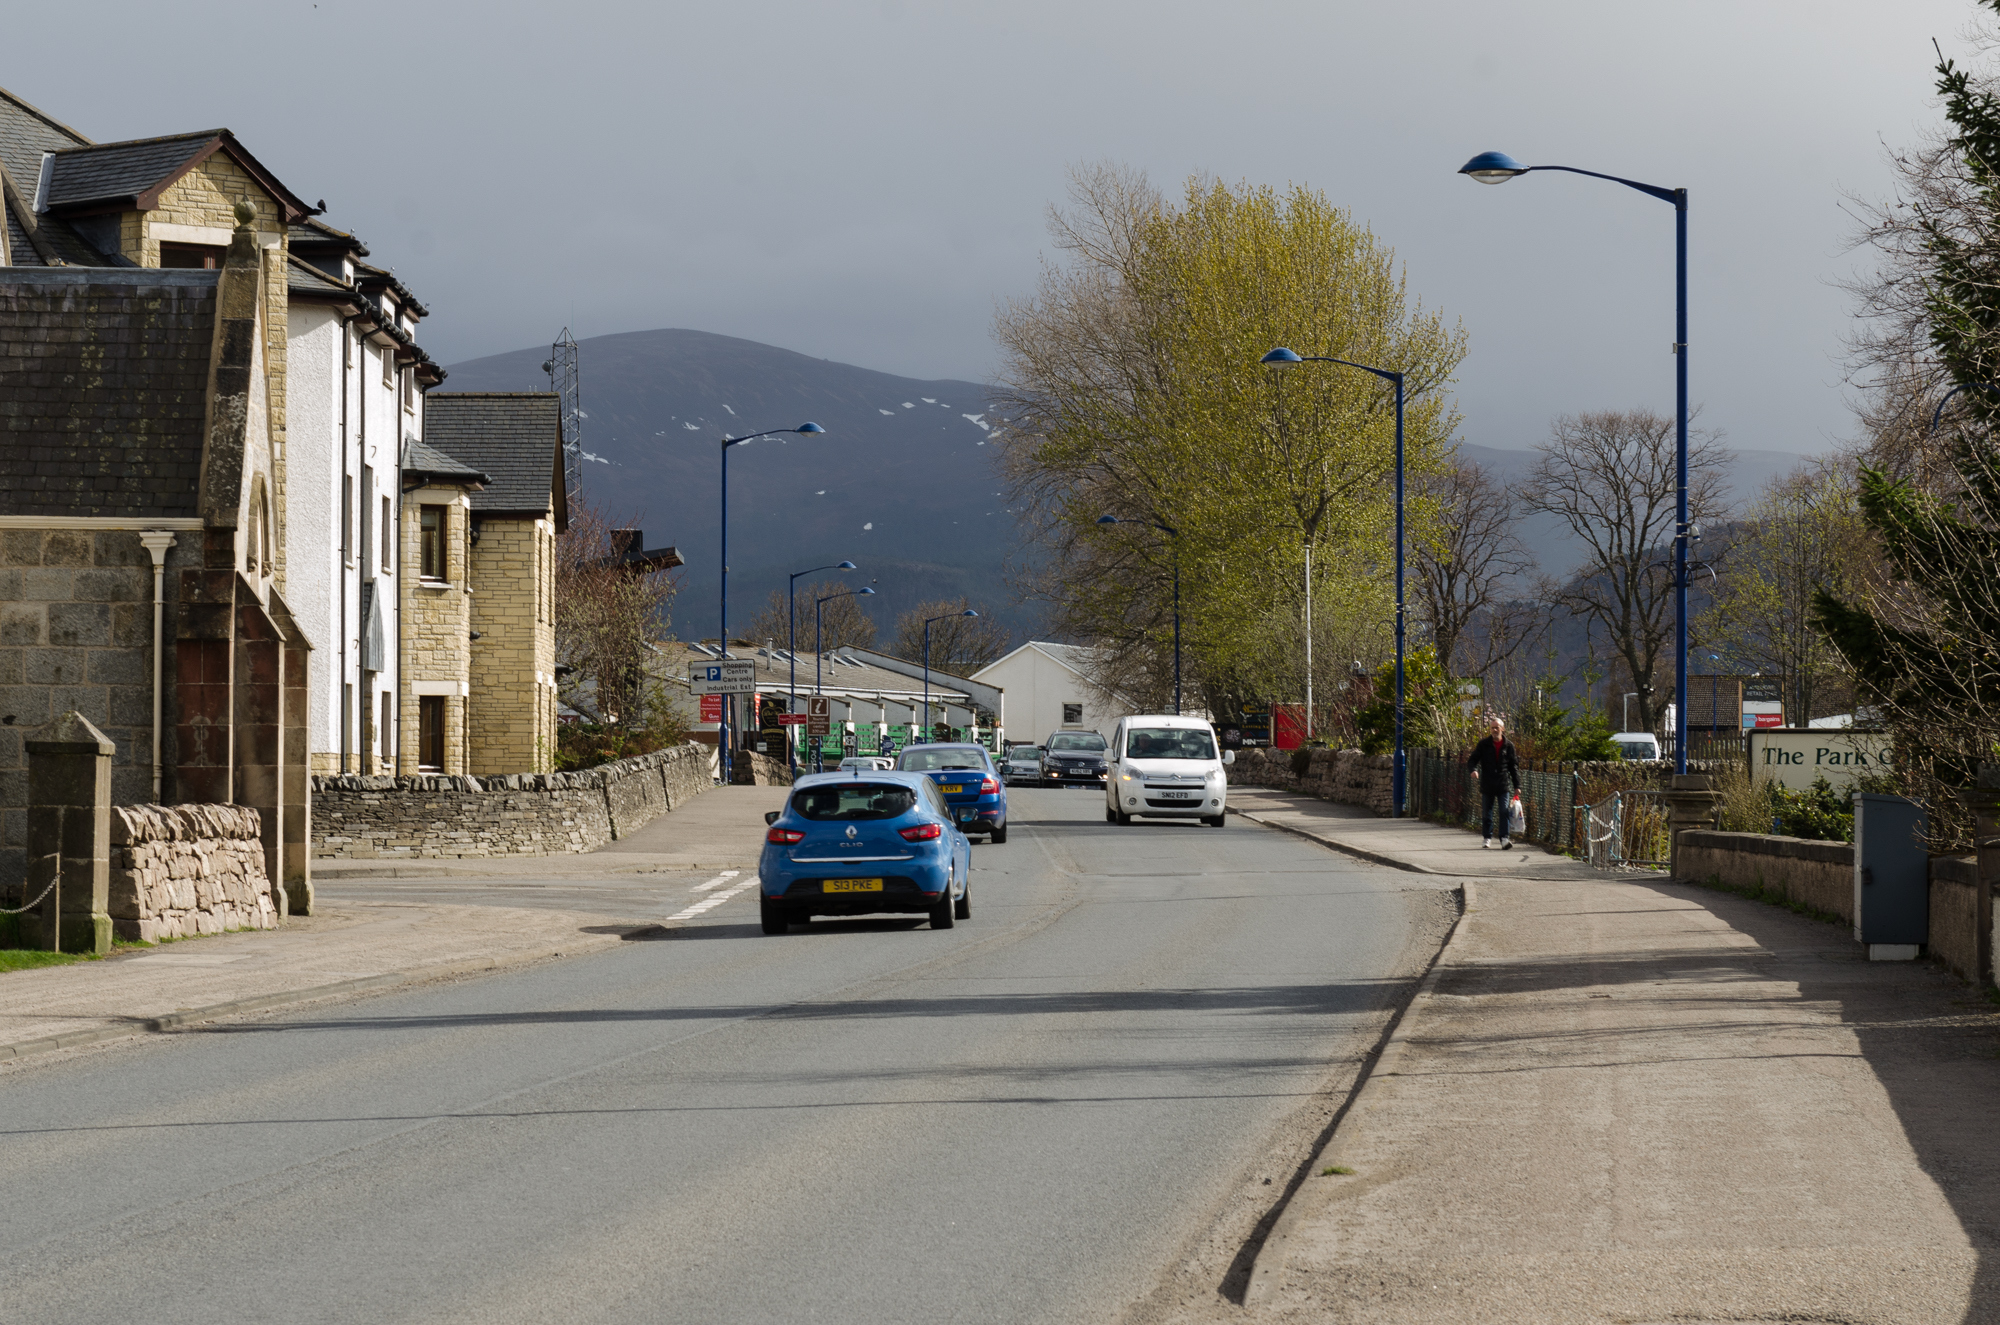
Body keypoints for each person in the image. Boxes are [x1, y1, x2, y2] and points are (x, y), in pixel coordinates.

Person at [1467, 714, 1521, 850]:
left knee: (1504, 811)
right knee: (1487, 812)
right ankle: (1487, 838)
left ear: (1502, 729)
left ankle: (1504, 838)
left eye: (1497, 728)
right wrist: (1473, 770)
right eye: (1492, 728)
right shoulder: (1483, 745)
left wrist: (1517, 786)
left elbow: (1513, 767)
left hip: (1503, 784)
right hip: (1487, 784)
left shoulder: (1509, 746)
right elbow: (1472, 759)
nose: (1494, 730)